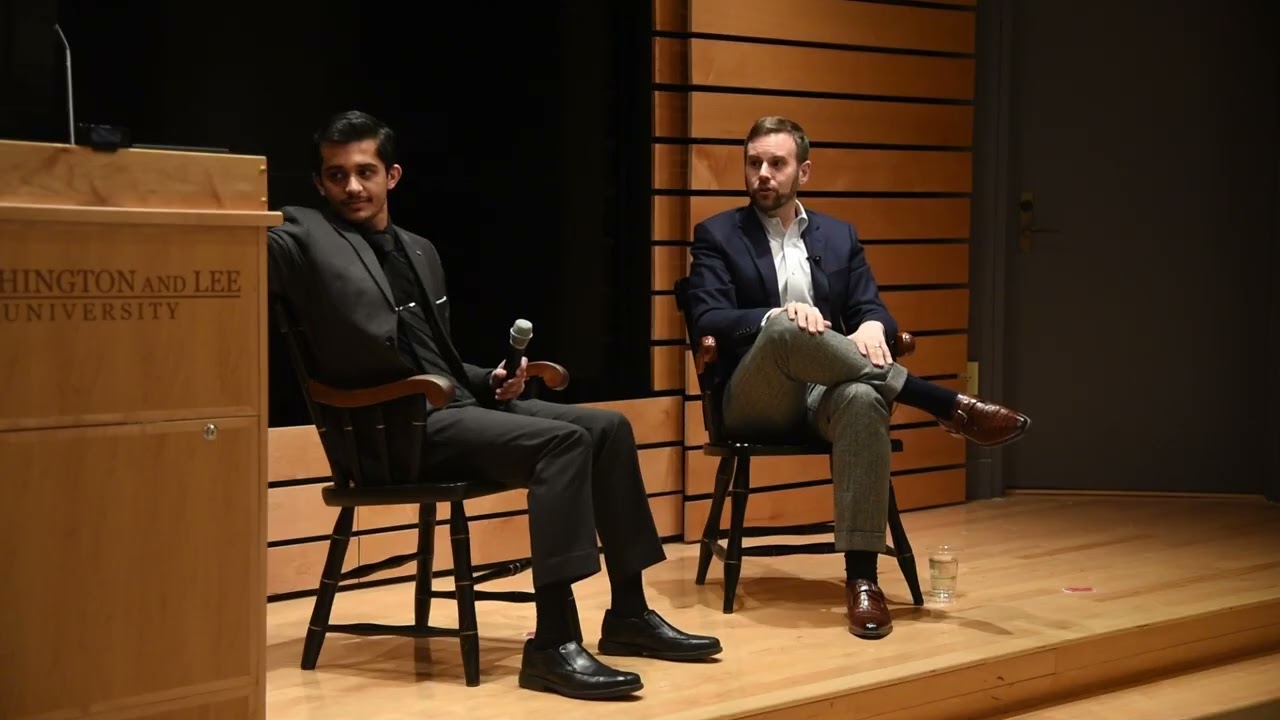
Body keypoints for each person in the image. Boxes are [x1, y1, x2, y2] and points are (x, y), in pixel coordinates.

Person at [267, 110, 721, 700]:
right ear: (319, 184)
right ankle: (554, 644)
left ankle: (629, 614)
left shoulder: (419, 251)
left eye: (365, 171)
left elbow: (439, 361)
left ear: (392, 175)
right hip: (393, 433)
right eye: (336, 175)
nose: (352, 187)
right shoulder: (306, 239)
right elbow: (256, 230)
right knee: (563, 442)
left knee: (608, 427)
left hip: (449, 410)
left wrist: (494, 379)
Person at [685, 116, 1030, 640]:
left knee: (864, 402)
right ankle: (942, 403)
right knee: (785, 323)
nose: (762, 174)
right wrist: (775, 318)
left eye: (776, 164)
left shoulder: (838, 236)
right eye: (753, 162)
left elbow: (873, 309)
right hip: (755, 395)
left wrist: (871, 323)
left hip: (824, 392)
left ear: (804, 170)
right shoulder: (717, 235)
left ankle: (863, 581)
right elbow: (708, 319)